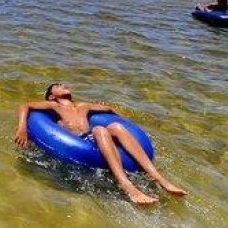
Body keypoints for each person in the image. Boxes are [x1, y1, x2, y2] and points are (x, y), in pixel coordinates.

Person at [14, 83, 187, 205]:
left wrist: (128, 124)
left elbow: (110, 110)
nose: (64, 84)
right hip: (82, 141)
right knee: (100, 130)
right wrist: (22, 129)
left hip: (94, 136)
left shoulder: (83, 106)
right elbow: (25, 106)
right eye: (58, 85)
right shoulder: (54, 106)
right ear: (52, 95)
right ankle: (126, 185)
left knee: (116, 127)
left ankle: (160, 179)